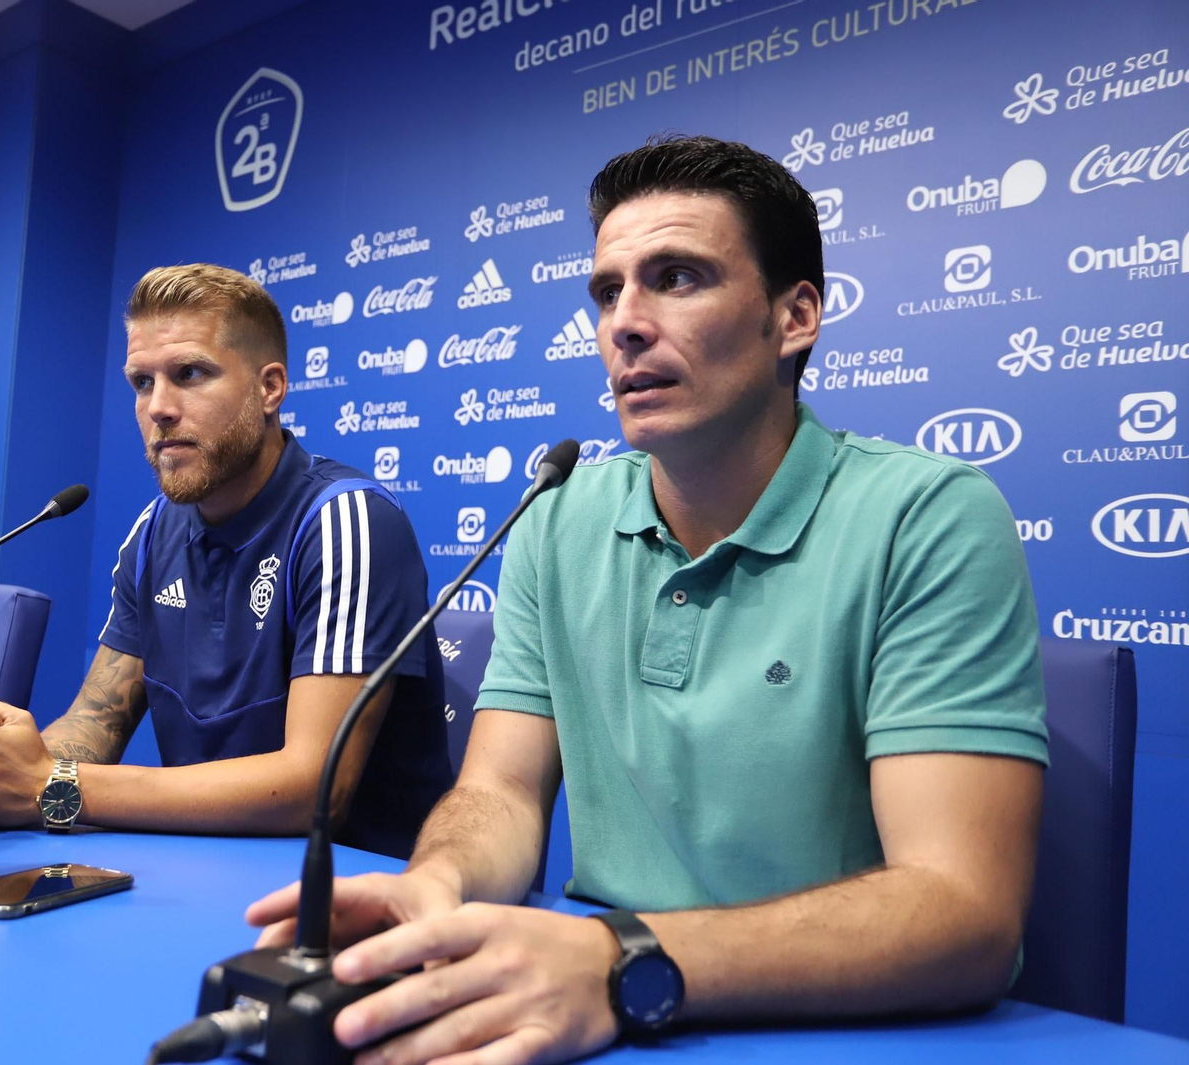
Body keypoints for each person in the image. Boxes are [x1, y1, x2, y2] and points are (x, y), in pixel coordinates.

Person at [248, 135, 1048, 1063]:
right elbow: (500, 791)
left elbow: (965, 910)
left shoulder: (928, 516)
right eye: (607, 290)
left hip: (838, 1028)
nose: (624, 322)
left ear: (794, 318)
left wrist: (619, 956)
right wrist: (440, 882)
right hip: (598, 1009)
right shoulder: (555, 514)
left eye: (677, 277)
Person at [0, 264, 453, 859]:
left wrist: (54, 787)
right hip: (202, 870)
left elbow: (313, 791)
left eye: (190, 374)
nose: (159, 409)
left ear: (270, 387)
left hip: (349, 899)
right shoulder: (153, 533)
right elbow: (95, 724)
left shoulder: (348, 522)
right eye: (141, 383)